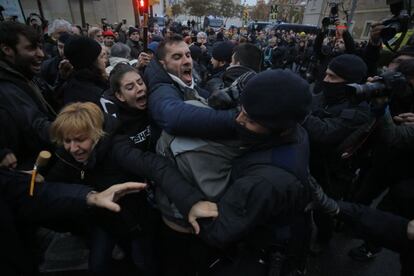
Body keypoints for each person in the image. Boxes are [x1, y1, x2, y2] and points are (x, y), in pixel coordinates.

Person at [188, 69, 313, 275]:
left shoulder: (263, 180)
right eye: (241, 110)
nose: (238, 120)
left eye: (251, 121)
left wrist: (186, 199)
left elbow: (219, 232)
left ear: (278, 127)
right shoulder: (295, 132)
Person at [0, 165, 147, 276]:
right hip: (98, 223)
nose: (74, 148)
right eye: (68, 141)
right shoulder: (63, 158)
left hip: (127, 222)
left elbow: (46, 194)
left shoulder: (115, 151)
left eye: (80, 139)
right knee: (98, 264)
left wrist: (90, 197)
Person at [303, 54, 371, 248]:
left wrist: (298, 112)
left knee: (323, 211)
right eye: (326, 75)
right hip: (310, 160)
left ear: (350, 83)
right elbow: (311, 103)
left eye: (333, 77)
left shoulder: (359, 110)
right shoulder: (325, 95)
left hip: (331, 172)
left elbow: (325, 133)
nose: (326, 80)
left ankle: (324, 239)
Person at [144, 34, 236, 138]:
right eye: (177, 57)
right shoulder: (160, 90)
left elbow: (207, 96)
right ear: (163, 64)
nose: (187, 61)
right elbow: (173, 117)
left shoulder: (190, 86)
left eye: (188, 55)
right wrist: (235, 120)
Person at [0, 21, 55, 169]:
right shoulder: (6, 88)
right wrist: (78, 132)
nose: (41, 54)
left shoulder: (26, 73)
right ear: (7, 50)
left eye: (39, 47)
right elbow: (37, 127)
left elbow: (50, 107)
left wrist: (62, 78)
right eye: (31, 48)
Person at [101, 63, 152, 150]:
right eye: (130, 87)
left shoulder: (153, 101)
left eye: (140, 82)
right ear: (120, 96)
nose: (139, 88)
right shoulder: (114, 121)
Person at [61, 36, 108, 105]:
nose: (105, 61)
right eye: (101, 57)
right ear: (91, 62)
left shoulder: (73, 81)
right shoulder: (94, 95)